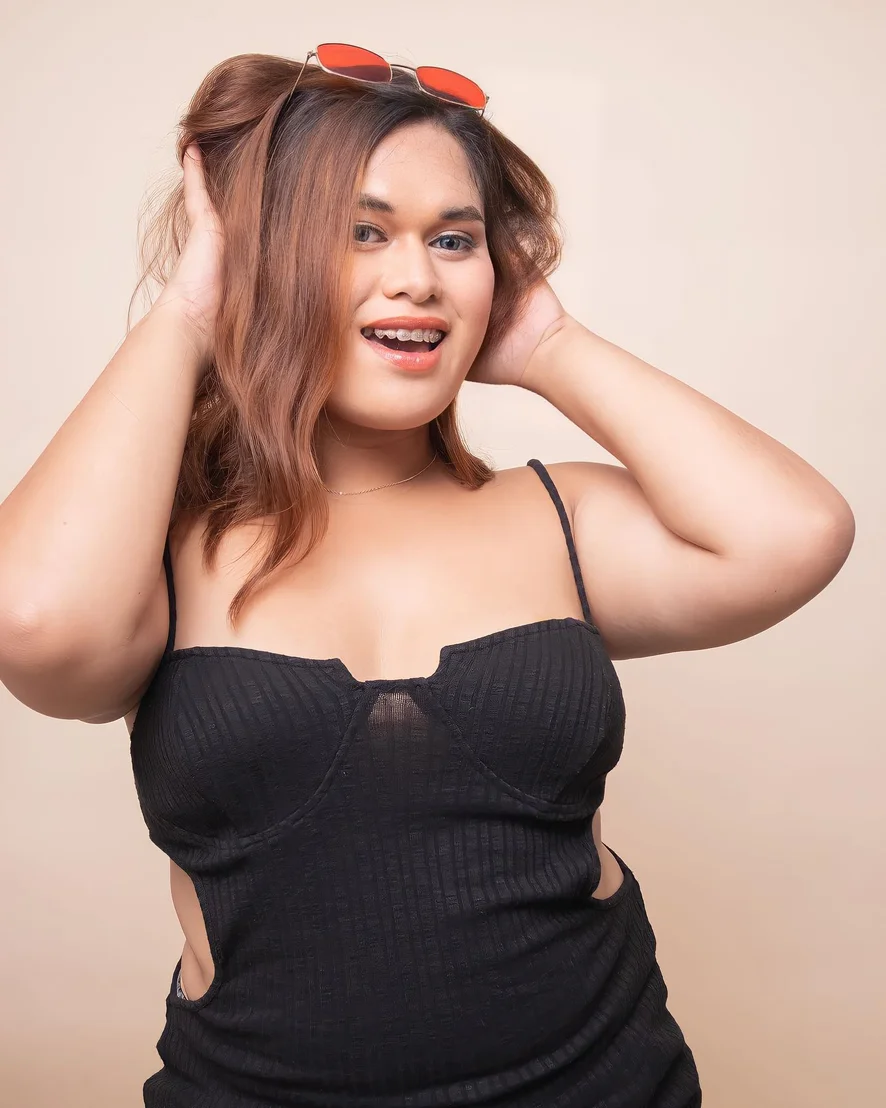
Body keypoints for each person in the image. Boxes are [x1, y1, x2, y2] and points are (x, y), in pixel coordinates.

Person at [0, 45, 855, 1108]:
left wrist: (549, 341)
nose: (418, 277)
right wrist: (187, 314)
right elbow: (34, 625)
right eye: (361, 232)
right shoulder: (156, 549)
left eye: (454, 239)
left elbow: (798, 532)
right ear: (261, 260)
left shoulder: (558, 517)